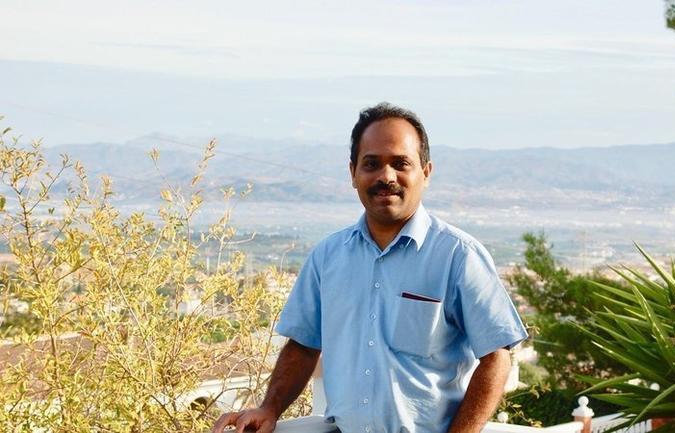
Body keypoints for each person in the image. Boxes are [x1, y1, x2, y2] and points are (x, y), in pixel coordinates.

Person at [212, 103, 528, 433]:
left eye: (401, 163)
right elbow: (303, 345)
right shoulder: (328, 257)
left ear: (426, 172)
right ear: (353, 173)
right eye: (371, 164)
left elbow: (497, 356)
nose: (386, 177)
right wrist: (270, 408)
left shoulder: (458, 256)